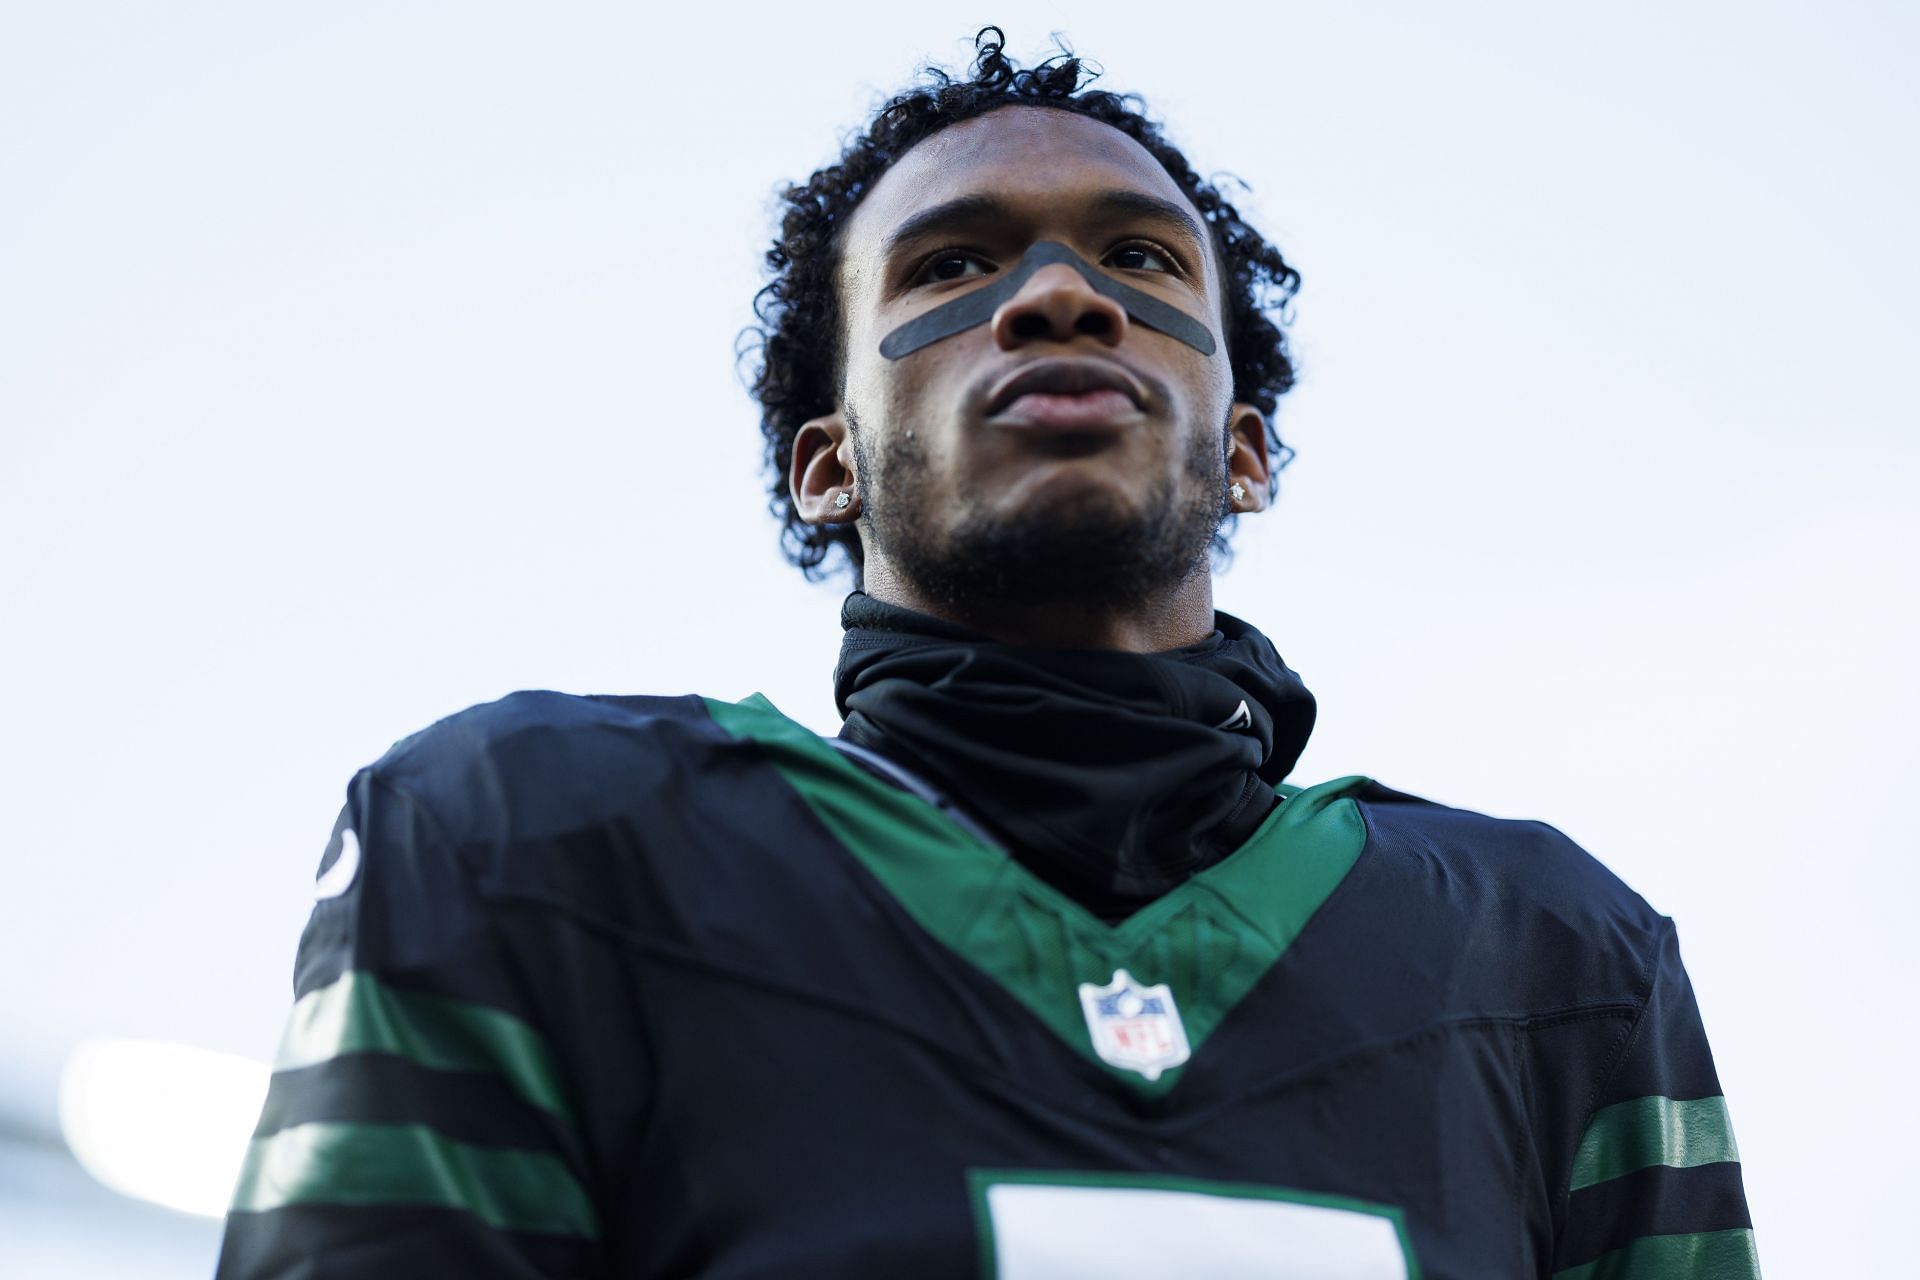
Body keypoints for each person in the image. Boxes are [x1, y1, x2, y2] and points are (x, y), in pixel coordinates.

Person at [215, 29, 1758, 1279]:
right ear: (827, 463)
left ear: (1246, 451)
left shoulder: (1560, 959)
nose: (1065, 296)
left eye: (1147, 265)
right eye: (951, 266)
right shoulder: (527, 838)